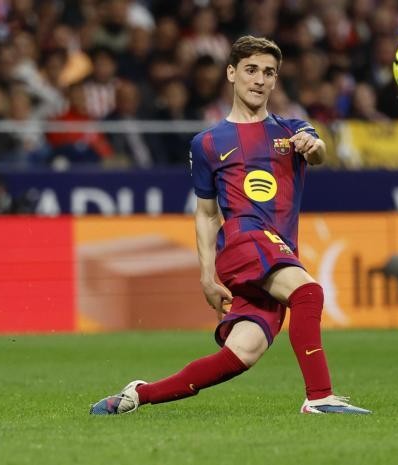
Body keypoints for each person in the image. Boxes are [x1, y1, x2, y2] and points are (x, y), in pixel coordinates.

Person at [90, 36, 370, 416]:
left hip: (276, 246)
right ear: (232, 73)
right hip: (244, 240)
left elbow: (318, 153)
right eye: (251, 70)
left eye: (268, 72)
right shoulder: (207, 143)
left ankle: (139, 394)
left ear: (276, 80)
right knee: (308, 293)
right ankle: (320, 397)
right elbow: (206, 213)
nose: (259, 80)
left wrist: (312, 144)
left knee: (242, 352)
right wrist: (206, 276)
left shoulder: (293, 129)